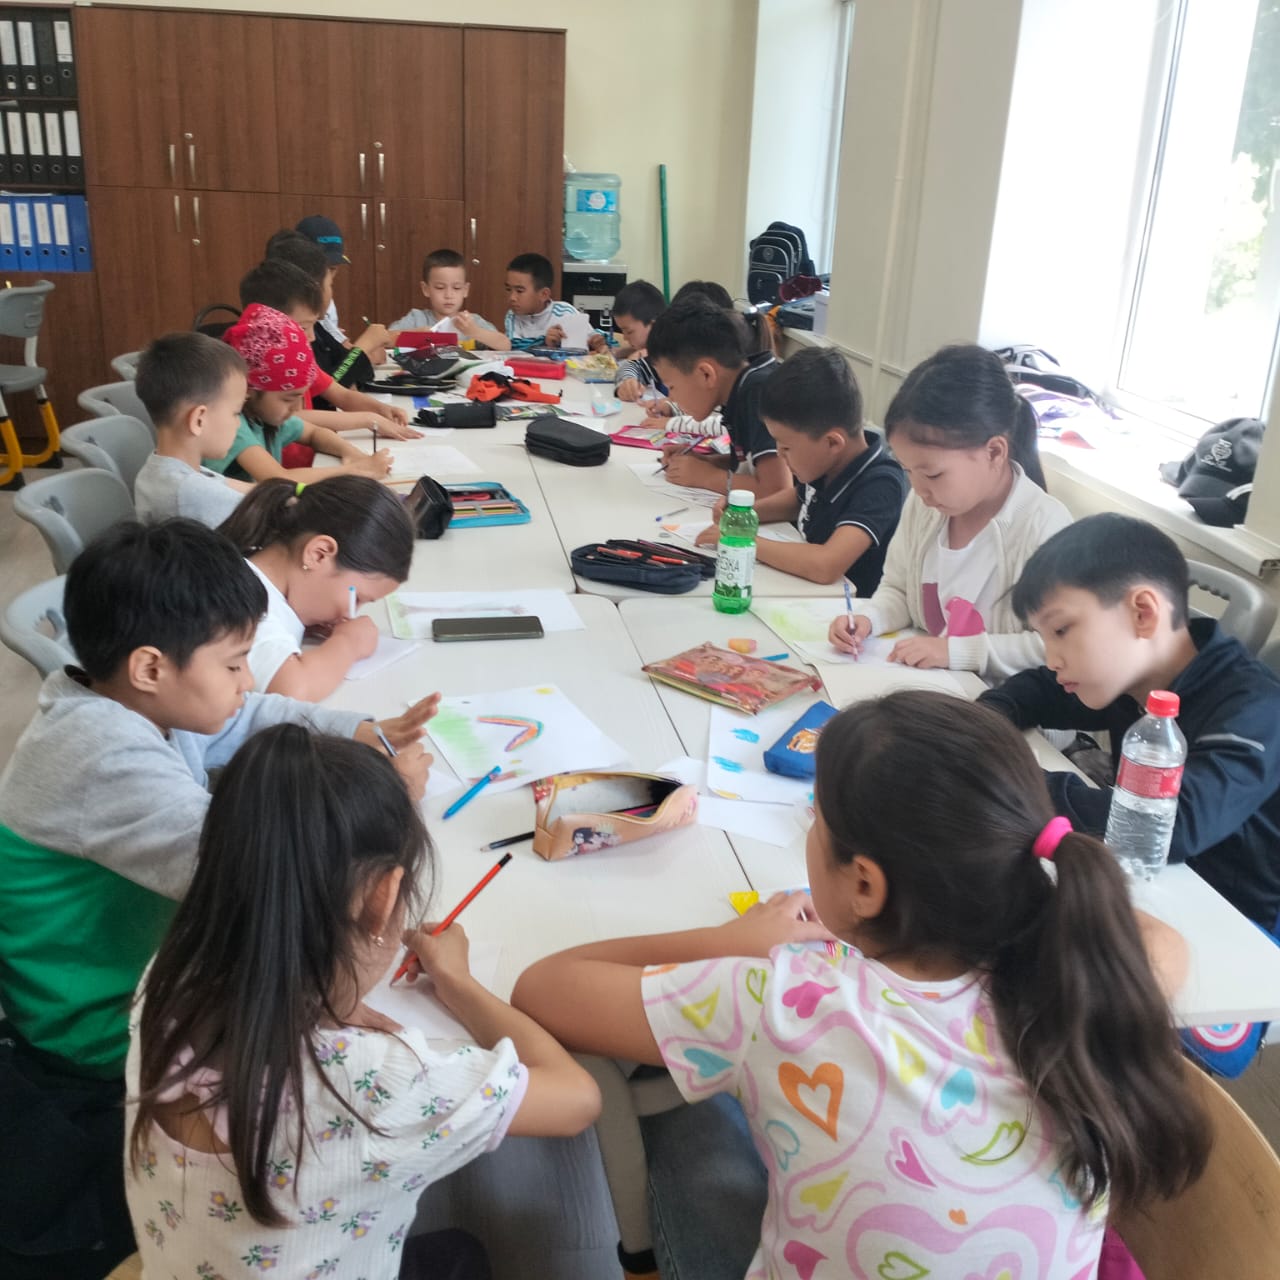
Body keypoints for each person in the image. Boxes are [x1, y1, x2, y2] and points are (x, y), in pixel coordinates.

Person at [512, 691, 1210, 1280]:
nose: (810, 831)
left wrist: (730, 942)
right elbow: (1164, 944)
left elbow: (545, 986)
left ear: (867, 885)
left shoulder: (780, 998)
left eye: (815, 819)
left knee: (678, 1106)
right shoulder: (1088, 980)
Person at [0, 520, 435, 1279]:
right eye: (235, 663)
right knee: (365, 1092)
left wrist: (362, 733)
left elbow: (252, 718)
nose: (245, 681)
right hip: (94, 1039)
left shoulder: (128, 702)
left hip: (145, 971)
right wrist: (386, 808)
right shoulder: (101, 757)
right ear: (150, 666)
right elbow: (260, 878)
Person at [126, 724, 601, 1280]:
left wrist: (323, 1003)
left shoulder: (167, 981)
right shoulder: (374, 1082)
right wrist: (460, 984)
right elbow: (577, 1099)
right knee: (466, 1255)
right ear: (384, 898)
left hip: (180, 1266)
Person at [979, 512, 1280, 940]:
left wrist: (1008, 781)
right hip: (1146, 886)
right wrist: (978, 728)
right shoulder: (1134, 676)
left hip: (1234, 926)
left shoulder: (1256, 708)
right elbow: (1037, 689)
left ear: (1142, 613)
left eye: (1061, 630)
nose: (1052, 657)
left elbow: (1174, 823)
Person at [828, 343, 1071, 678]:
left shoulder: (1044, 529)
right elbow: (898, 589)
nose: (919, 489)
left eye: (932, 475)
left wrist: (954, 651)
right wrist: (868, 619)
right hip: (930, 686)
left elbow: (1055, 645)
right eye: (908, 471)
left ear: (994, 452)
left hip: (997, 702)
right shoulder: (926, 507)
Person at [696, 347, 907, 594]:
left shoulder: (881, 484)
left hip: (845, 608)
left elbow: (826, 565)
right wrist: (745, 514)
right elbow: (799, 498)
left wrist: (742, 541)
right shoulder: (827, 462)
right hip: (805, 592)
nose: (779, 453)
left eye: (786, 447)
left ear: (832, 443)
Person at [218, 475, 414, 699]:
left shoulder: (250, 574)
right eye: (356, 599)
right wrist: (349, 644)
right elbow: (292, 690)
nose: (349, 615)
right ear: (319, 554)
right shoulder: (243, 603)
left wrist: (300, 627)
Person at [207, 303, 392, 484]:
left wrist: (350, 453)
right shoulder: (234, 425)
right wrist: (355, 470)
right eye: (288, 399)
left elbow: (314, 433)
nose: (296, 408)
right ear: (249, 389)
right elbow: (276, 479)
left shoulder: (266, 414)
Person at [239, 258, 417, 440]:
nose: (312, 337)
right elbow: (292, 417)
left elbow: (341, 395)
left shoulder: (299, 357)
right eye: (303, 328)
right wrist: (368, 419)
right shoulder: (259, 366)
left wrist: (382, 409)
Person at [644, 296, 790, 500]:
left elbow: (777, 490)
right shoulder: (740, 389)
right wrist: (706, 462)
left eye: (672, 387)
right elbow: (749, 466)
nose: (672, 398)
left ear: (706, 374)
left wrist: (706, 476)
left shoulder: (758, 392)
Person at [132, 331, 251, 527]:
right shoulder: (192, 492)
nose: (238, 424)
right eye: (235, 413)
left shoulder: (158, 471)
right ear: (199, 420)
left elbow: (256, 492)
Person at [266, 230, 397, 383]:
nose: (331, 292)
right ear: (314, 289)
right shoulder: (295, 334)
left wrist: (360, 355)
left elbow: (357, 374)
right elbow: (333, 384)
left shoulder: (317, 328)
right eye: (330, 285)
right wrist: (364, 347)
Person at [390, 247, 499, 347]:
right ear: (425, 289)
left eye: (456, 288)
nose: (448, 295)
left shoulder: (472, 321)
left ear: (465, 290)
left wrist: (475, 331)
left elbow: (504, 344)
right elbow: (385, 339)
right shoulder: (416, 318)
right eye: (440, 288)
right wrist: (417, 333)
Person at [499, 252, 603, 352]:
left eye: (519, 291)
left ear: (544, 294)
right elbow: (513, 345)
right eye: (508, 289)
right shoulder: (512, 316)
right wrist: (544, 342)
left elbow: (593, 337)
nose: (512, 297)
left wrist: (596, 341)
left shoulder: (565, 312)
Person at [295, 212, 351, 343]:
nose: (328, 277)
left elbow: (343, 346)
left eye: (332, 269)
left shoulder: (328, 302)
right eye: (320, 269)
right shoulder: (290, 303)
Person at [610, 279, 668, 402]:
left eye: (629, 331)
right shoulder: (655, 356)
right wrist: (628, 382)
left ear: (653, 326)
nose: (625, 337)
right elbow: (633, 366)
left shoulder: (669, 355)